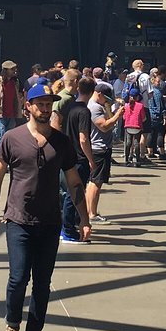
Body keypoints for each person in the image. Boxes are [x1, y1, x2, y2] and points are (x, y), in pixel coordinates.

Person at [0, 84, 91, 331]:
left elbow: (74, 182)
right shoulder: (12, 138)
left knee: (43, 283)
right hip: (18, 220)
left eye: (48, 104)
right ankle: (12, 328)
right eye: (39, 104)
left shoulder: (62, 142)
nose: (45, 109)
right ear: (28, 106)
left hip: (50, 221)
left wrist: (84, 218)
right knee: (18, 277)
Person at [59, 77, 96, 243]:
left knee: (69, 192)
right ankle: (67, 230)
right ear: (91, 92)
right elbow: (83, 138)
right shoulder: (84, 112)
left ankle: (68, 226)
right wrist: (91, 159)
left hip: (67, 154)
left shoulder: (70, 107)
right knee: (74, 193)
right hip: (79, 158)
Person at [88, 82, 124, 222]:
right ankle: (92, 213)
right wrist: (117, 116)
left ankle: (91, 211)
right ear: (99, 95)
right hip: (99, 147)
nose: (107, 102)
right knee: (96, 182)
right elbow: (103, 126)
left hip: (101, 146)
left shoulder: (100, 105)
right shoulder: (95, 107)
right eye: (106, 99)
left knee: (96, 181)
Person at [0, 60, 23, 151]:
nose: (14, 70)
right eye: (12, 69)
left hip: (11, 114)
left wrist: (18, 112)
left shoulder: (15, 82)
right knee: (1, 135)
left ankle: (6, 158)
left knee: (9, 137)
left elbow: (16, 99)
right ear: (6, 70)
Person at [122, 90, 148, 166]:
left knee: (128, 143)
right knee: (137, 143)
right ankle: (137, 160)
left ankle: (127, 160)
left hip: (128, 126)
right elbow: (143, 118)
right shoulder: (140, 106)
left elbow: (124, 117)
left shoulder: (126, 106)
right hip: (137, 127)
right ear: (137, 97)